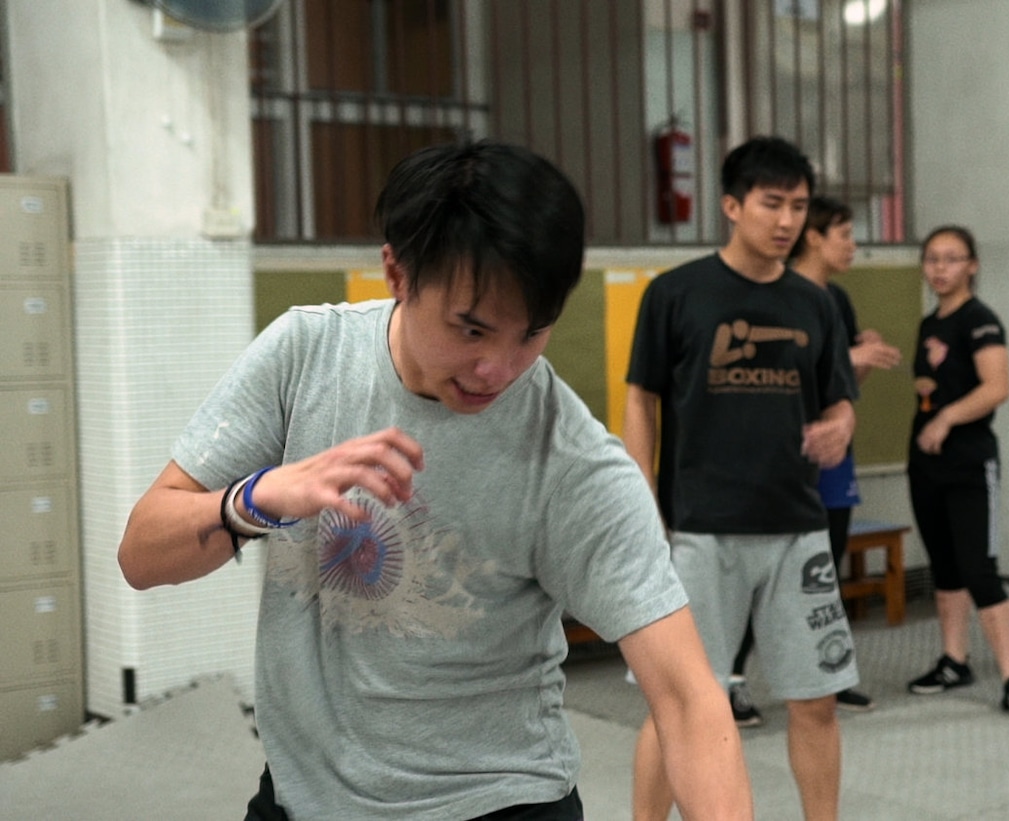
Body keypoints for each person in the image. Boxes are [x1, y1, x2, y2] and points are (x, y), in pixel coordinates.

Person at [116, 140, 752, 821]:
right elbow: (142, 555)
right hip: (303, 799)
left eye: (530, 334)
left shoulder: (573, 464)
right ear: (397, 271)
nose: (497, 368)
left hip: (498, 802)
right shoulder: (306, 357)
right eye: (471, 329)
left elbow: (688, 700)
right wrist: (253, 500)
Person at [625, 136, 860, 821]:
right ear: (731, 205)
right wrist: (643, 505)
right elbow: (640, 399)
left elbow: (838, 396)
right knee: (677, 703)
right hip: (702, 529)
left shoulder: (815, 304)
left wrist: (842, 423)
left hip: (797, 528)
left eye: (798, 206)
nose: (787, 220)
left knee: (815, 702)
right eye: (771, 204)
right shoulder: (676, 293)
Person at [725, 196, 902, 724]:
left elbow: (839, 389)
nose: (852, 245)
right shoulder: (776, 298)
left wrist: (860, 361)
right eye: (844, 233)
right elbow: (775, 374)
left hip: (833, 459)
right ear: (815, 239)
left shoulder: (838, 302)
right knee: (762, 575)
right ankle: (732, 682)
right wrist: (851, 356)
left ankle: (828, 675)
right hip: (780, 461)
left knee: (826, 570)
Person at [904, 225, 1009, 722]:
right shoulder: (929, 324)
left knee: (977, 570)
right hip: (926, 462)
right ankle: (954, 660)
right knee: (943, 565)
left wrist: (945, 418)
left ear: (973, 265)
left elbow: (997, 386)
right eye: (932, 259)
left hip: (969, 461)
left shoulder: (980, 320)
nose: (940, 268)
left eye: (952, 259)